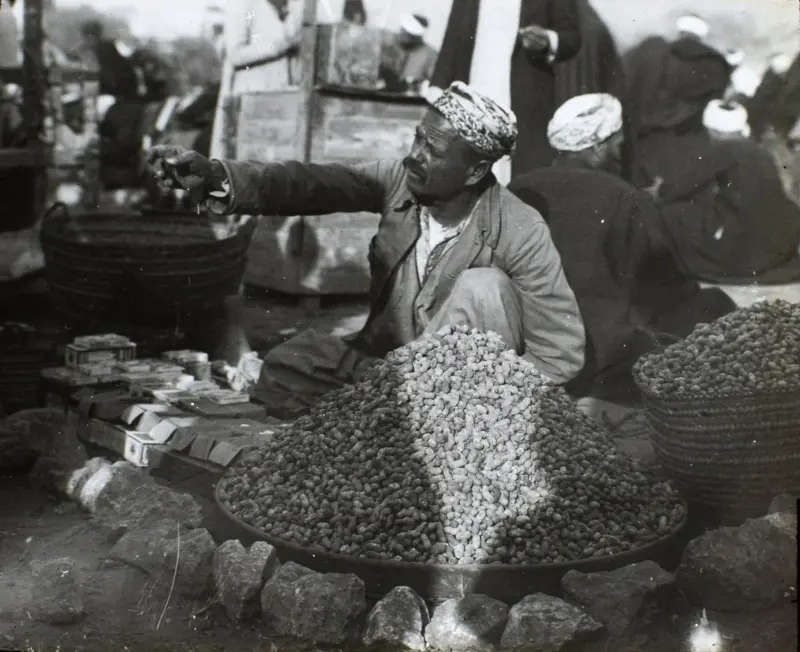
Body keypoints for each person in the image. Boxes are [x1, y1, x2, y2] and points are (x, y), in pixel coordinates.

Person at [147, 82, 587, 414]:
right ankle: (386, 414)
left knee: (483, 287)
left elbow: (559, 353)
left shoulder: (520, 228)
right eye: (417, 138)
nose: (415, 155)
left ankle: (413, 422)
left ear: (474, 172)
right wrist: (216, 177)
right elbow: (309, 183)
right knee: (286, 364)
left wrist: (491, 409)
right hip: (385, 368)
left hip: (461, 394)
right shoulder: (399, 180)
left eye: (432, 150)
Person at [507, 94, 735, 401]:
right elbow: (662, 279)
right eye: (615, 143)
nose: (618, 153)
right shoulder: (622, 197)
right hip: (600, 345)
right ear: (596, 145)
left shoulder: (519, 187)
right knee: (716, 307)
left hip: (530, 337)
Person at [638, 99, 800, 285]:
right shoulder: (758, 150)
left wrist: (658, 192)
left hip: (746, 244)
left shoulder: (725, 148)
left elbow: (682, 185)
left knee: (672, 214)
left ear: (712, 129)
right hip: (776, 241)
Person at [428, 0, 582, 183]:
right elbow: (453, 34)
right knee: (467, 169)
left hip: (523, 96)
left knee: (519, 175)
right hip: (475, 87)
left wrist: (548, 40)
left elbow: (571, 36)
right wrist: (437, 87)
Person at [623, 14, 735, 143]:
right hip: (686, 139)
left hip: (642, 134)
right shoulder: (716, 64)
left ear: (680, 32)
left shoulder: (653, 51)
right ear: (702, 36)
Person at [79, 21, 141, 101]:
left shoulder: (104, 50)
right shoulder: (106, 47)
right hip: (125, 91)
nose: (84, 41)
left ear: (91, 37)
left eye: (85, 38)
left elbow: (110, 78)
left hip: (123, 95)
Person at [379, 14, 438, 94]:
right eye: (403, 30)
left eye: (410, 34)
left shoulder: (430, 55)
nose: (403, 35)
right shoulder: (387, 43)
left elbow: (433, 85)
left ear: (418, 37)